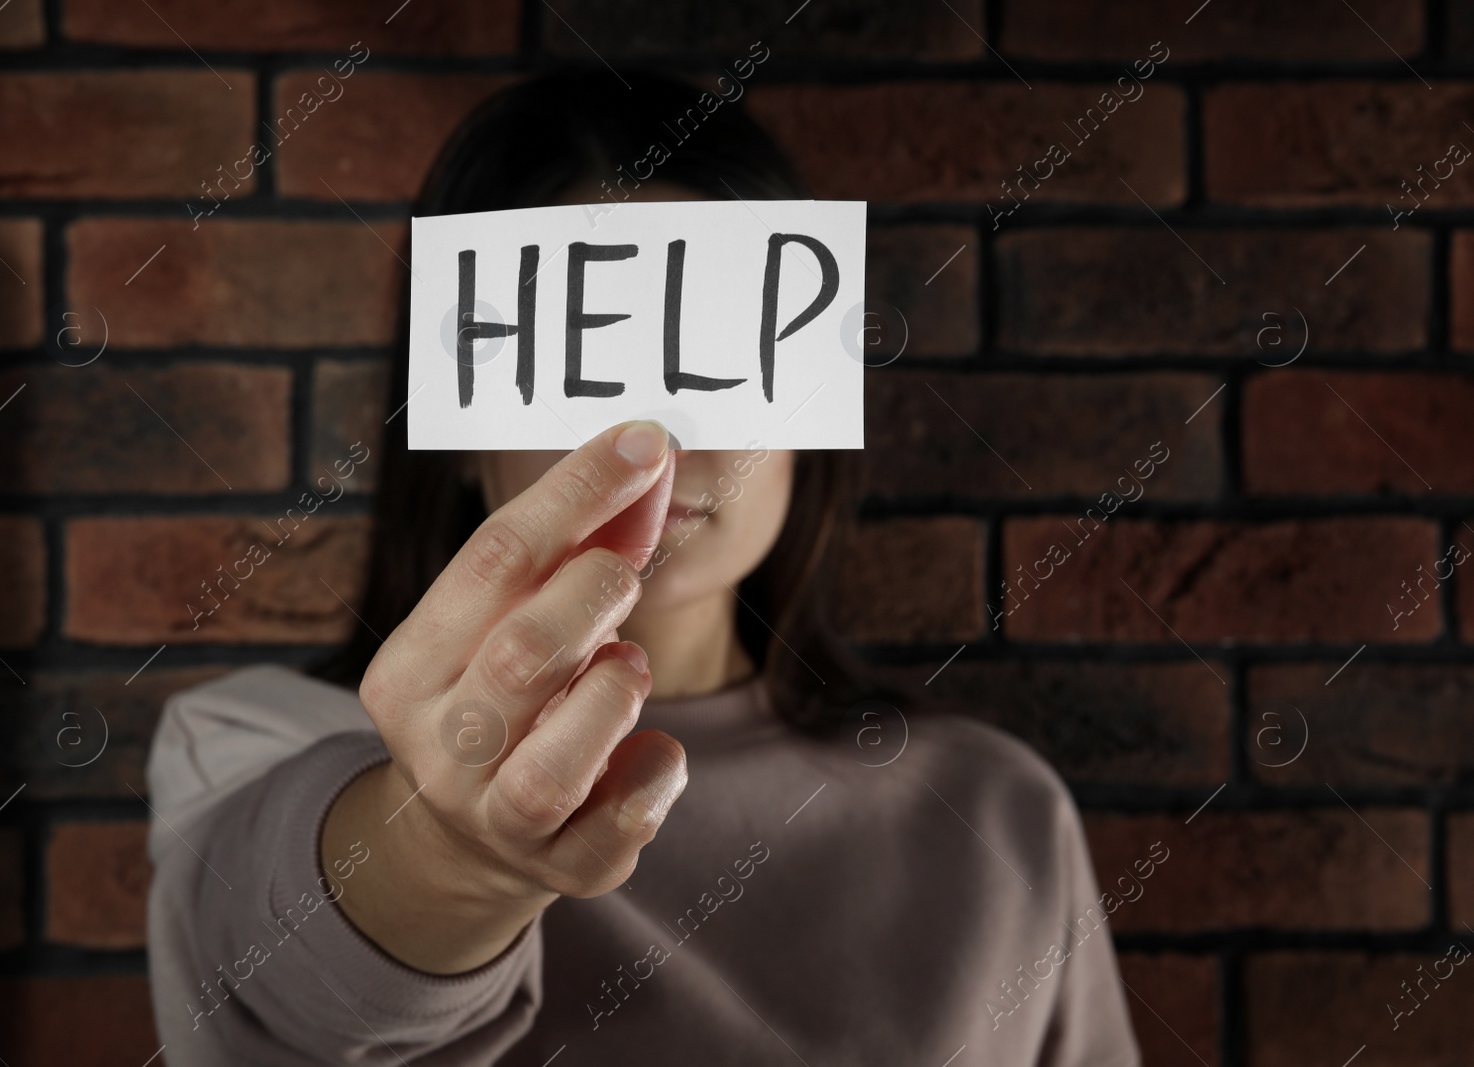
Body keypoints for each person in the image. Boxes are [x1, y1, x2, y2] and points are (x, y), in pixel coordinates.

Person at [144, 66, 1143, 1066]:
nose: (655, 434)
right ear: (455, 422)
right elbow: (290, 987)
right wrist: (445, 858)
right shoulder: (252, 743)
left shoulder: (997, 808)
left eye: (713, 347)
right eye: (587, 358)